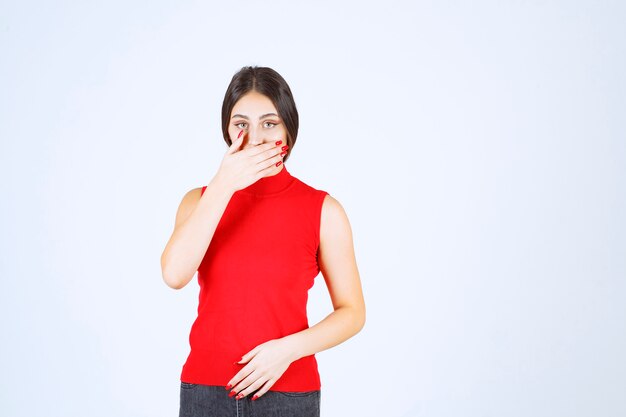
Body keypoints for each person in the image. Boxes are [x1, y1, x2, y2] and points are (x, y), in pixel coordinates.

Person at [160, 65, 366, 417]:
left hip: (287, 393)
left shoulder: (323, 210)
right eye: (241, 124)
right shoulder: (200, 200)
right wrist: (224, 183)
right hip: (205, 391)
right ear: (227, 130)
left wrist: (286, 351)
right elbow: (174, 275)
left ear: (288, 129)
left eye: (269, 124)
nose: (254, 137)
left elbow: (353, 312)